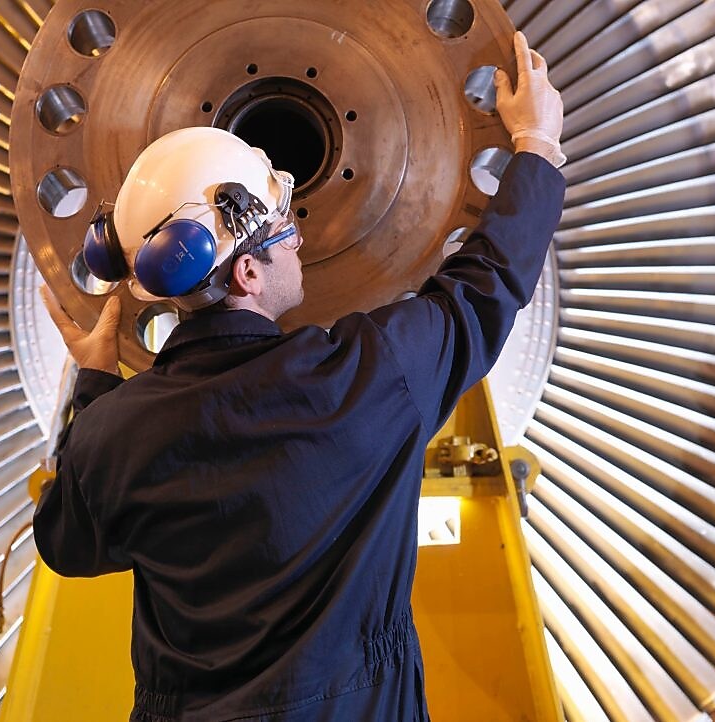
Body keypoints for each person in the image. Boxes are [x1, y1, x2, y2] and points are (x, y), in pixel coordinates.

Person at [34, 31, 565, 722]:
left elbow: (68, 546)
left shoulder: (110, 437)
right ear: (248, 272)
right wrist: (535, 145)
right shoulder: (368, 380)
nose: (301, 237)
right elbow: (487, 285)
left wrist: (96, 384)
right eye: (284, 224)